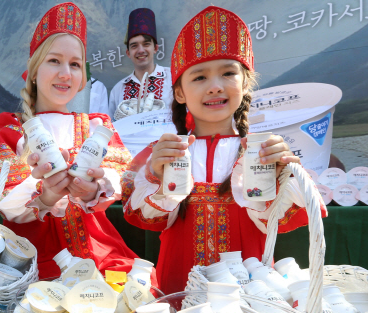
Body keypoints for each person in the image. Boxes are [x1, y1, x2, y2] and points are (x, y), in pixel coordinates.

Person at [120, 6, 327, 294]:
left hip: (252, 283)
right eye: (200, 77)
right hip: (180, 276)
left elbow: (275, 219)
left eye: (228, 73)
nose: (216, 86)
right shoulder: (166, 152)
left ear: (244, 83)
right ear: (180, 92)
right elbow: (148, 216)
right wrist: (155, 175)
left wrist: (282, 177)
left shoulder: (261, 150)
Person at [0, 2, 141, 280]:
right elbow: (2, 200)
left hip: (97, 251)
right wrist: (46, 196)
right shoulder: (9, 127)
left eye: (75, 64)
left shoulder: (96, 125)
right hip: (31, 256)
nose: (65, 73)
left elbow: (123, 179)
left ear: (82, 79)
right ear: (33, 70)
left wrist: (92, 191)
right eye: (54, 60)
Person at [108, 8, 173, 120]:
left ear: (155, 48)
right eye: (134, 46)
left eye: (146, 44)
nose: (141, 50)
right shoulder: (118, 89)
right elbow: (111, 126)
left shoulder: (172, 79)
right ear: (128, 53)